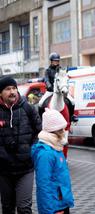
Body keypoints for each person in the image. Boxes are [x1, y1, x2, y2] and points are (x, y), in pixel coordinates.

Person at [0, 76, 42, 214]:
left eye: (14, 88)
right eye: (7, 89)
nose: (12, 92)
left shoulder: (28, 108)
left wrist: (31, 150)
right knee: (7, 208)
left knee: (24, 208)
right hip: (3, 170)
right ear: (0, 93)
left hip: (25, 168)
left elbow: (39, 132)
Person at [32, 108, 74, 214]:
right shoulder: (45, 154)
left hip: (61, 202)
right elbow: (43, 185)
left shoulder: (56, 148)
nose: (64, 132)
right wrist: (49, 211)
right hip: (54, 206)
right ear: (54, 130)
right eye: (61, 129)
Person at [39, 52, 77, 122]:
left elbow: (64, 78)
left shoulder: (61, 70)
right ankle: (41, 119)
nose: (56, 62)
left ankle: (72, 116)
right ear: (51, 61)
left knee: (72, 101)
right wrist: (49, 85)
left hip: (61, 91)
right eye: (55, 61)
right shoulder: (47, 71)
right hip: (50, 91)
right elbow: (46, 79)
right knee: (40, 103)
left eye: (57, 61)